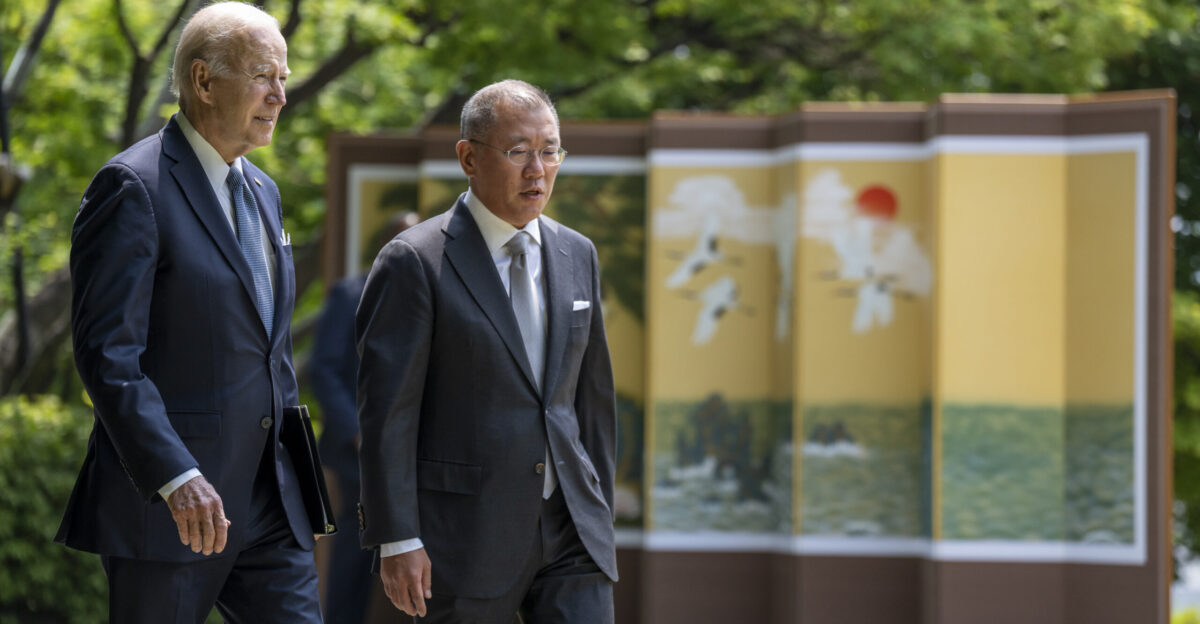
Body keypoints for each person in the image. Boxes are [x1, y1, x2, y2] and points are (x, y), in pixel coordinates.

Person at [54, 3, 321, 622]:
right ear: (204, 81)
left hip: (272, 502)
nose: (279, 96)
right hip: (172, 504)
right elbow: (107, 358)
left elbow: (265, 348)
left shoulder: (263, 191)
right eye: (263, 76)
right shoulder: (131, 186)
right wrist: (175, 476)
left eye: (283, 78)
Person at [356, 79, 619, 623]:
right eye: (518, 151)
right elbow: (389, 414)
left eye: (550, 151)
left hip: (572, 531)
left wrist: (599, 513)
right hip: (462, 538)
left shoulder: (577, 253)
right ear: (469, 158)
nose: (537, 169)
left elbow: (591, 398)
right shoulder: (415, 260)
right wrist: (396, 536)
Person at [310, 211, 419, 624]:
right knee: (356, 554)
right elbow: (323, 368)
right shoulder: (349, 294)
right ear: (386, 247)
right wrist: (357, 433)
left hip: (415, 454)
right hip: (359, 456)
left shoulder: (430, 295)